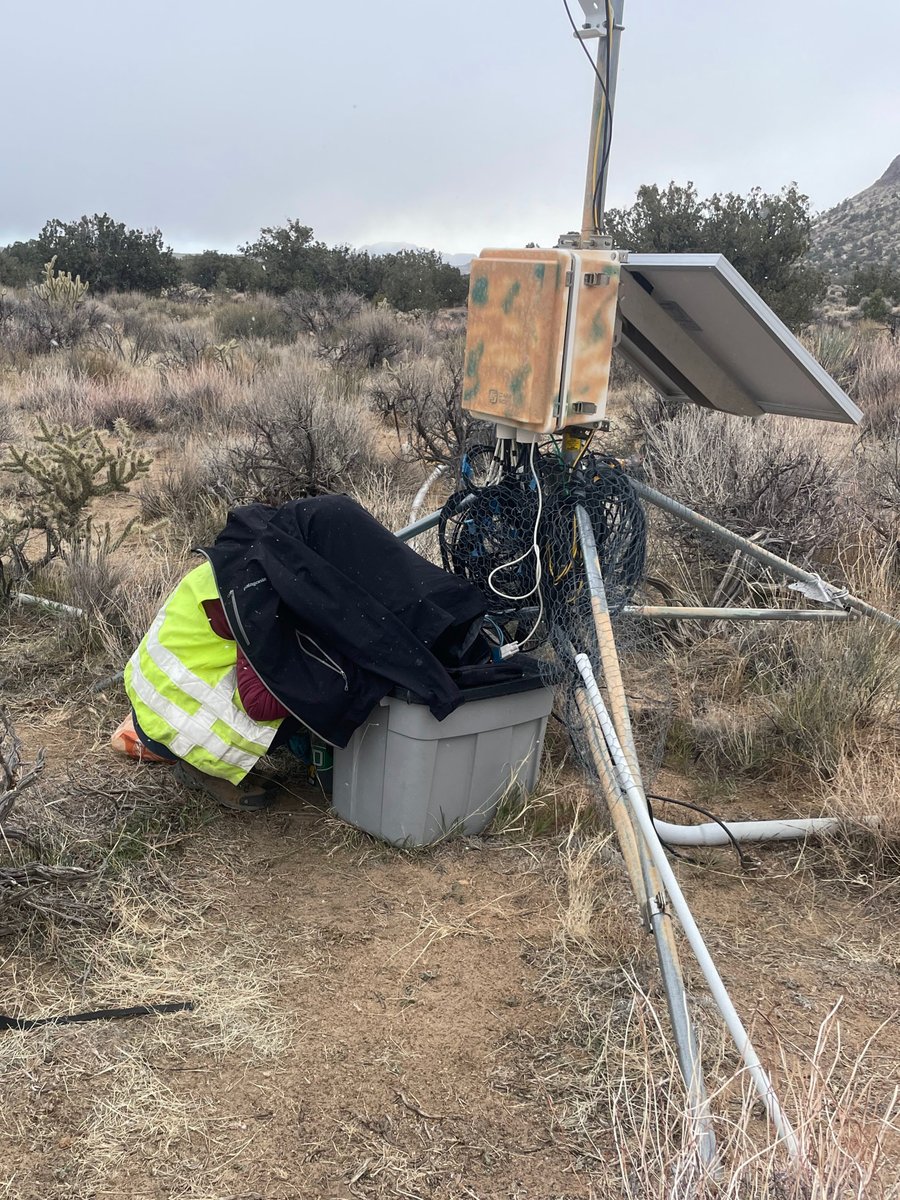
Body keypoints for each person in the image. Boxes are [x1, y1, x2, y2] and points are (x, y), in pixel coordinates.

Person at [116, 494, 487, 811]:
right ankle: (204, 766)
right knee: (318, 684)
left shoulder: (267, 549)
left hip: (159, 694)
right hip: (177, 720)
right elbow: (259, 701)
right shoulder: (256, 596)